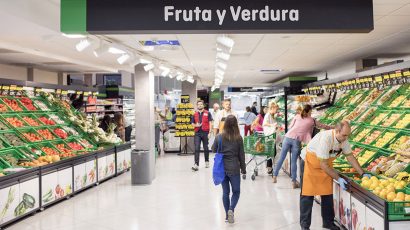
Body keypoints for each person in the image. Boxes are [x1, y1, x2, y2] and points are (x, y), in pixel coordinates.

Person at [299, 121, 370, 230]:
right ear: (337, 131)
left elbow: (350, 157)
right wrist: (338, 178)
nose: (346, 138)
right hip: (310, 163)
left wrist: (363, 173)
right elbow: (323, 164)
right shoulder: (326, 139)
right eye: (344, 135)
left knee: (327, 193)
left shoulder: (344, 140)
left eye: (348, 135)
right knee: (307, 195)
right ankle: (305, 225)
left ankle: (328, 223)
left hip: (325, 165)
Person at [273, 104, 333, 188]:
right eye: (311, 112)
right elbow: (323, 126)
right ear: (308, 112)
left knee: (281, 158)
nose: (311, 113)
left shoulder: (297, 116)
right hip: (296, 141)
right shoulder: (312, 120)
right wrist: (332, 127)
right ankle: (294, 182)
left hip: (287, 137)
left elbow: (290, 126)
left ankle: (275, 176)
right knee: (294, 161)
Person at [212, 115, 246, 224]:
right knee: (236, 191)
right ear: (236, 125)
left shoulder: (219, 137)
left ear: (225, 124)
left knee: (225, 192)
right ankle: (231, 209)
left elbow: (213, 149)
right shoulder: (239, 138)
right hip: (234, 168)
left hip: (222, 168)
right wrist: (243, 169)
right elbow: (242, 155)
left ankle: (227, 216)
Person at [191, 100, 213, 171]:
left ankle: (207, 161)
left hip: (205, 132)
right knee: (197, 148)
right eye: (198, 104)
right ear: (197, 106)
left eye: (201, 104)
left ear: (203, 105)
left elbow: (210, 123)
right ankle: (196, 164)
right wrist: (195, 125)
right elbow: (192, 123)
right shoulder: (195, 114)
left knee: (205, 147)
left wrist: (210, 132)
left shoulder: (208, 113)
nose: (200, 105)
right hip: (197, 133)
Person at [262, 102, 279, 174]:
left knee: (273, 152)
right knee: (270, 152)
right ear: (272, 108)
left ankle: (271, 167)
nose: (277, 110)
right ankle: (269, 168)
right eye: (276, 109)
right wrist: (272, 125)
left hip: (272, 136)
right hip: (269, 136)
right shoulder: (268, 115)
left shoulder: (272, 115)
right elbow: (264, 124)